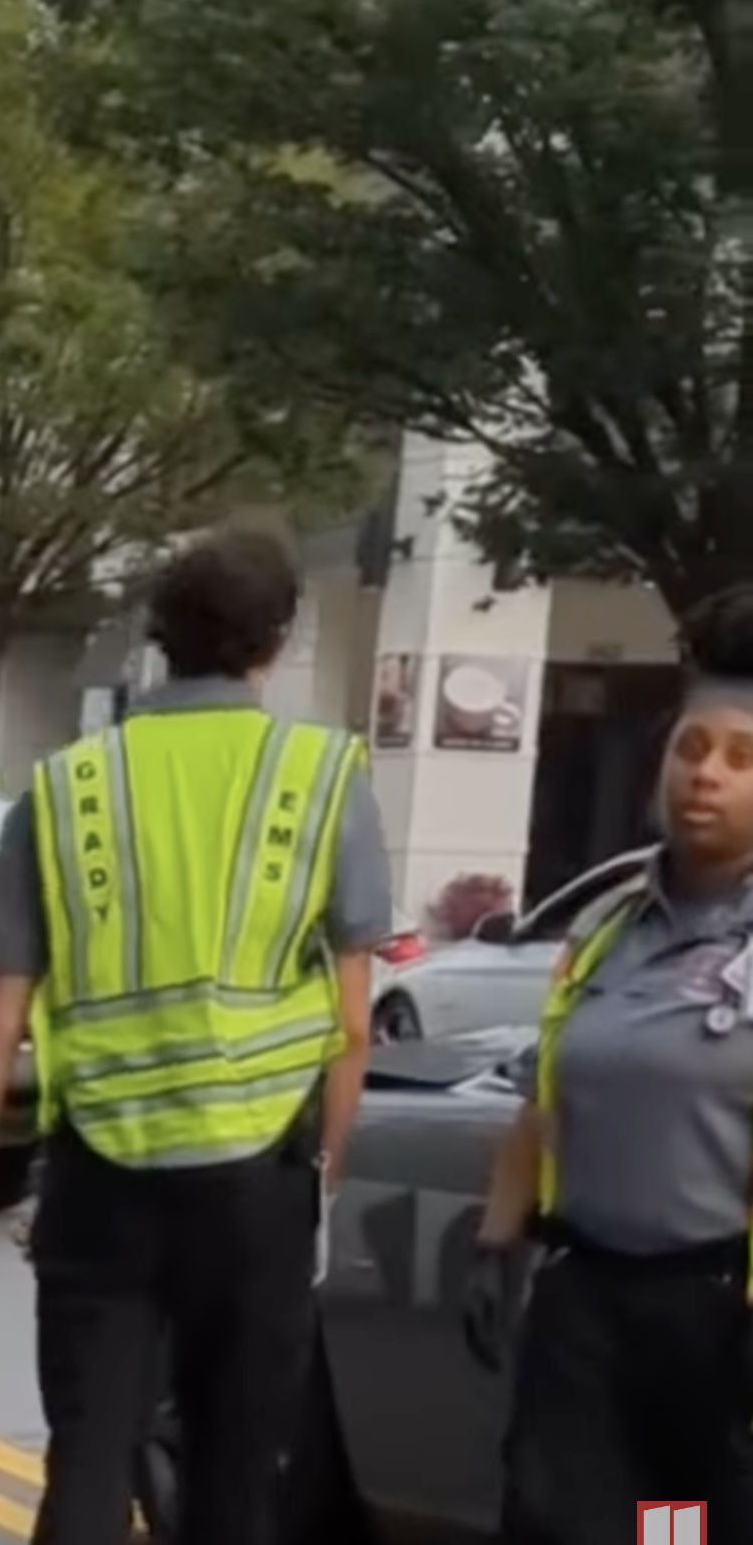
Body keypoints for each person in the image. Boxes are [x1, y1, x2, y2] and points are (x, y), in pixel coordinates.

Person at [0, 525, 391, 1545]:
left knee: (88, 1456)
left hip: (103, 1172)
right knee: (235, 1469)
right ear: (278, 637)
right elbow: (351, 1023)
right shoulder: (321, 776)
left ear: (158, 636)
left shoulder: (62, 787)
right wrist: (325, 1184)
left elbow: (2, 1002)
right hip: (259, 1176)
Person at [471, 585, 753, 1545]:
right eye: (691, 749)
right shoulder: (605, 931)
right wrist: (496, 1241)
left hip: (711, 1317)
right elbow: (542, 1100)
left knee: (668, 1530)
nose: (705, 776)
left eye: (741, 759)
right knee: (558, 1518)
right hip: (585, 1304)